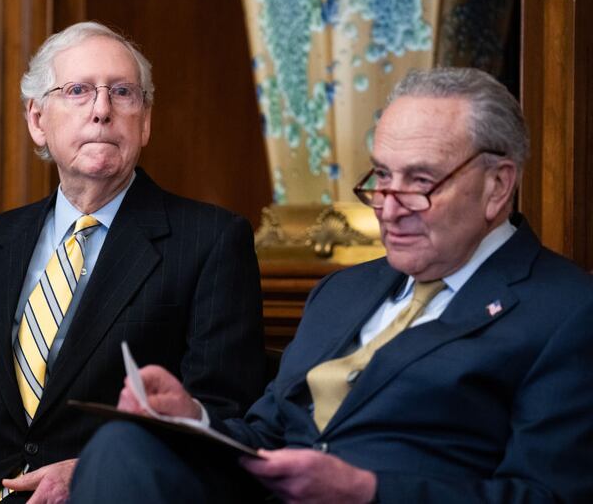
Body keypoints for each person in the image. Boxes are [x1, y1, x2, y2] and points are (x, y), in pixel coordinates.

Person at [69, 67, 593, 504]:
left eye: (420, 182)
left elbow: (546, 497)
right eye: (382, 176)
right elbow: (267, 436)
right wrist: (193, 419)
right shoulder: (343, 293)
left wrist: (367, 491)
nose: (388, 207)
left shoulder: (565, 312)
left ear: (497, 185)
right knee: (124, 444)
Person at [0, 21, 265, 502]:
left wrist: (98, 471)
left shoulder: (212, 242)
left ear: (145, 121)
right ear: (37, 119)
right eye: (78, 91)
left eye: (122, 93)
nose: (102, 110)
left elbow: (222, 418)